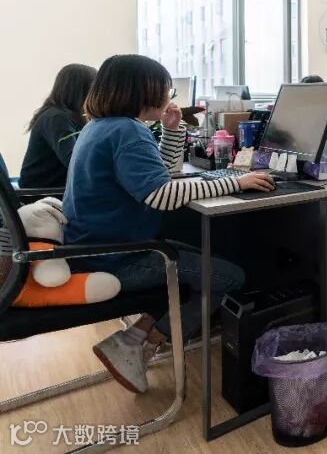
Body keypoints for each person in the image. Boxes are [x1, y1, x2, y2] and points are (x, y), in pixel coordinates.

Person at [64, 54, 275, 394]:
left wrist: (173, 131)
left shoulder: (102, 127)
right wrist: (237, 182)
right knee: (230, 277)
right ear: (143, 90)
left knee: (200, 257)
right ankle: (146, 344)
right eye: (165, 89)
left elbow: (158, 175)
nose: (168, 95)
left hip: (97, 248)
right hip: (118, 258)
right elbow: (161, 194)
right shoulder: (127, 131)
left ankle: (132, 339)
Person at [19, 64, 98, 189]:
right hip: (43, 193)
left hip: (55, 189)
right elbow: (74, 161)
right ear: (83, 90)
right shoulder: (57, 118)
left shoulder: (65, 116)